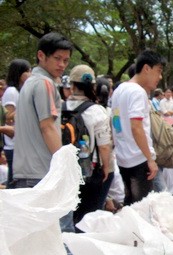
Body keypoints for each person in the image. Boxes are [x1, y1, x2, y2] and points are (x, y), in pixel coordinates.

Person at [13, 33, 74, 235]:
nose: (62, 65)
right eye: (57, 58)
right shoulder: (44, 84)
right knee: (58, 239)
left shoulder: (29, 83)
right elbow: (47, 127)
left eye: (65, 60)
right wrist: (64, 164)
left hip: (27, 173)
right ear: (41, 55)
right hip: (43, 173)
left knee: (36, 242)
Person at [111, 50, 165, 205]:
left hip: (123, 157)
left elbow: (115, 122)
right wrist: (150, 159)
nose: (160, 77)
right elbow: (136, 127)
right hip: (138, 158)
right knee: (142, 206)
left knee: (130, 202)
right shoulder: (138, 92)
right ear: (147, 68)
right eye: (159, 71)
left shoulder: (119, 89)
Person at [64, 65, 114, 225]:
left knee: (69, 215)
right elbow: (104, 145)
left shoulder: (61, 107)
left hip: (66, 169)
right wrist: (106, 167)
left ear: (71, 85)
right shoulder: (97, 111)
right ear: (93, 86)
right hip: (90, 170)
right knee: (89, 217)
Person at [3, 58, 31, 188]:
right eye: (27, 71)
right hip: (12, 144)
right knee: (13, 182)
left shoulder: (20, 91)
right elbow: (8, 117)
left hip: (19, 143)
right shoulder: (11, 92)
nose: (30, 75)